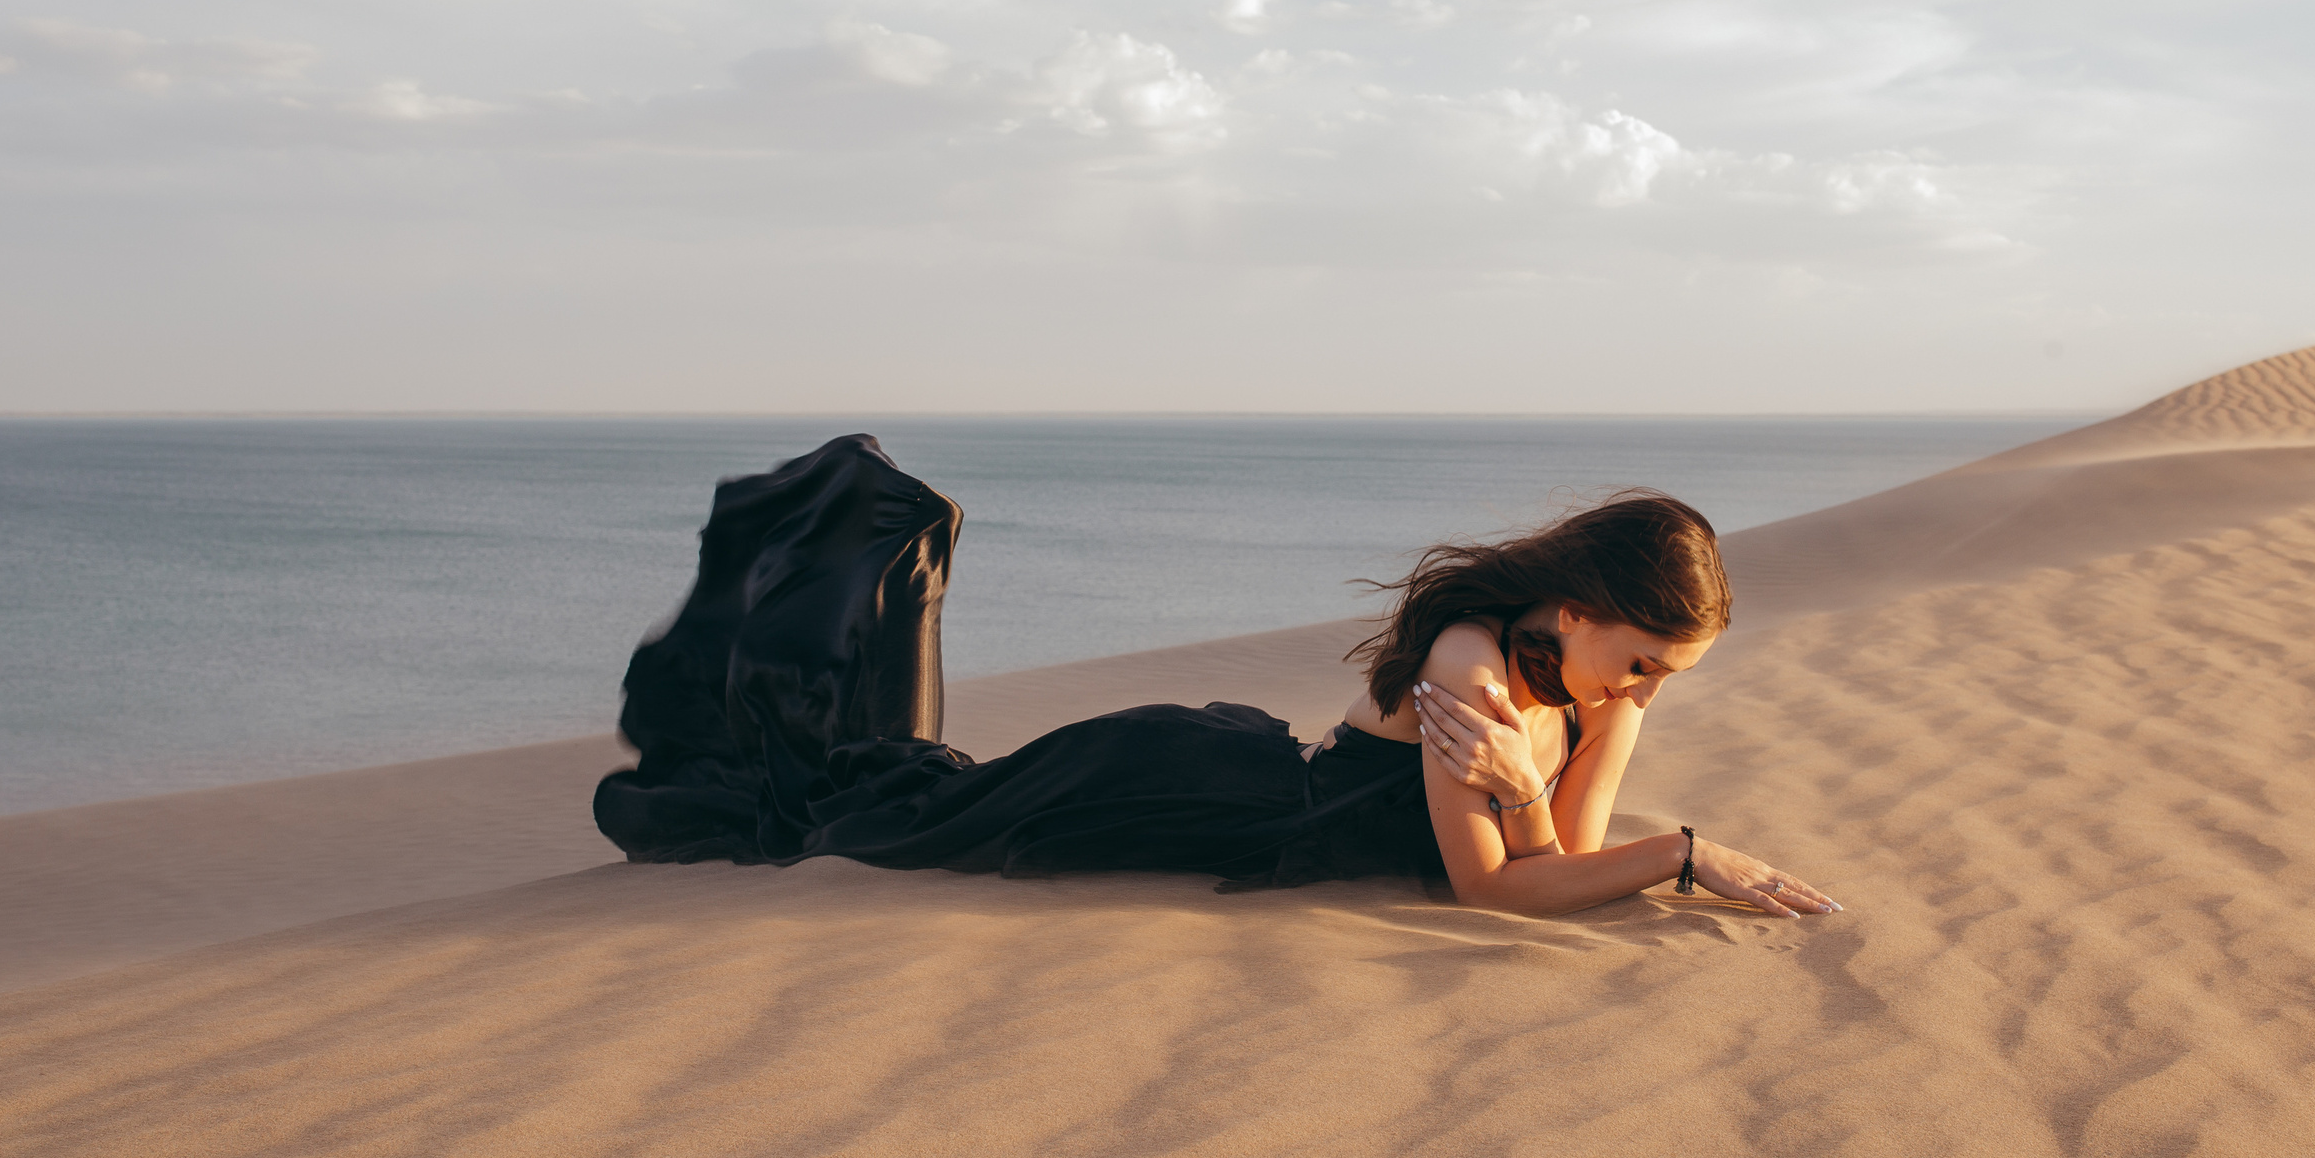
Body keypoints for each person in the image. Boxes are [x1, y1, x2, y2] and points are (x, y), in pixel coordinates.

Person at [593, 434, 1839, 919]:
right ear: (1578, 612)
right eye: (1642, 664)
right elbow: (1500, 892)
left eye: (1665, 679)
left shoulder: (1574, 689)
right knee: (881, 815)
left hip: (1221, 783)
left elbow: (1555, 847)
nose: (1642, 694)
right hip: (1175, 787)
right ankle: (877, 537)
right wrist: (1682, 853)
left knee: (913, 795)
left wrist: (1552, 785)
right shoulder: (1470, 666)